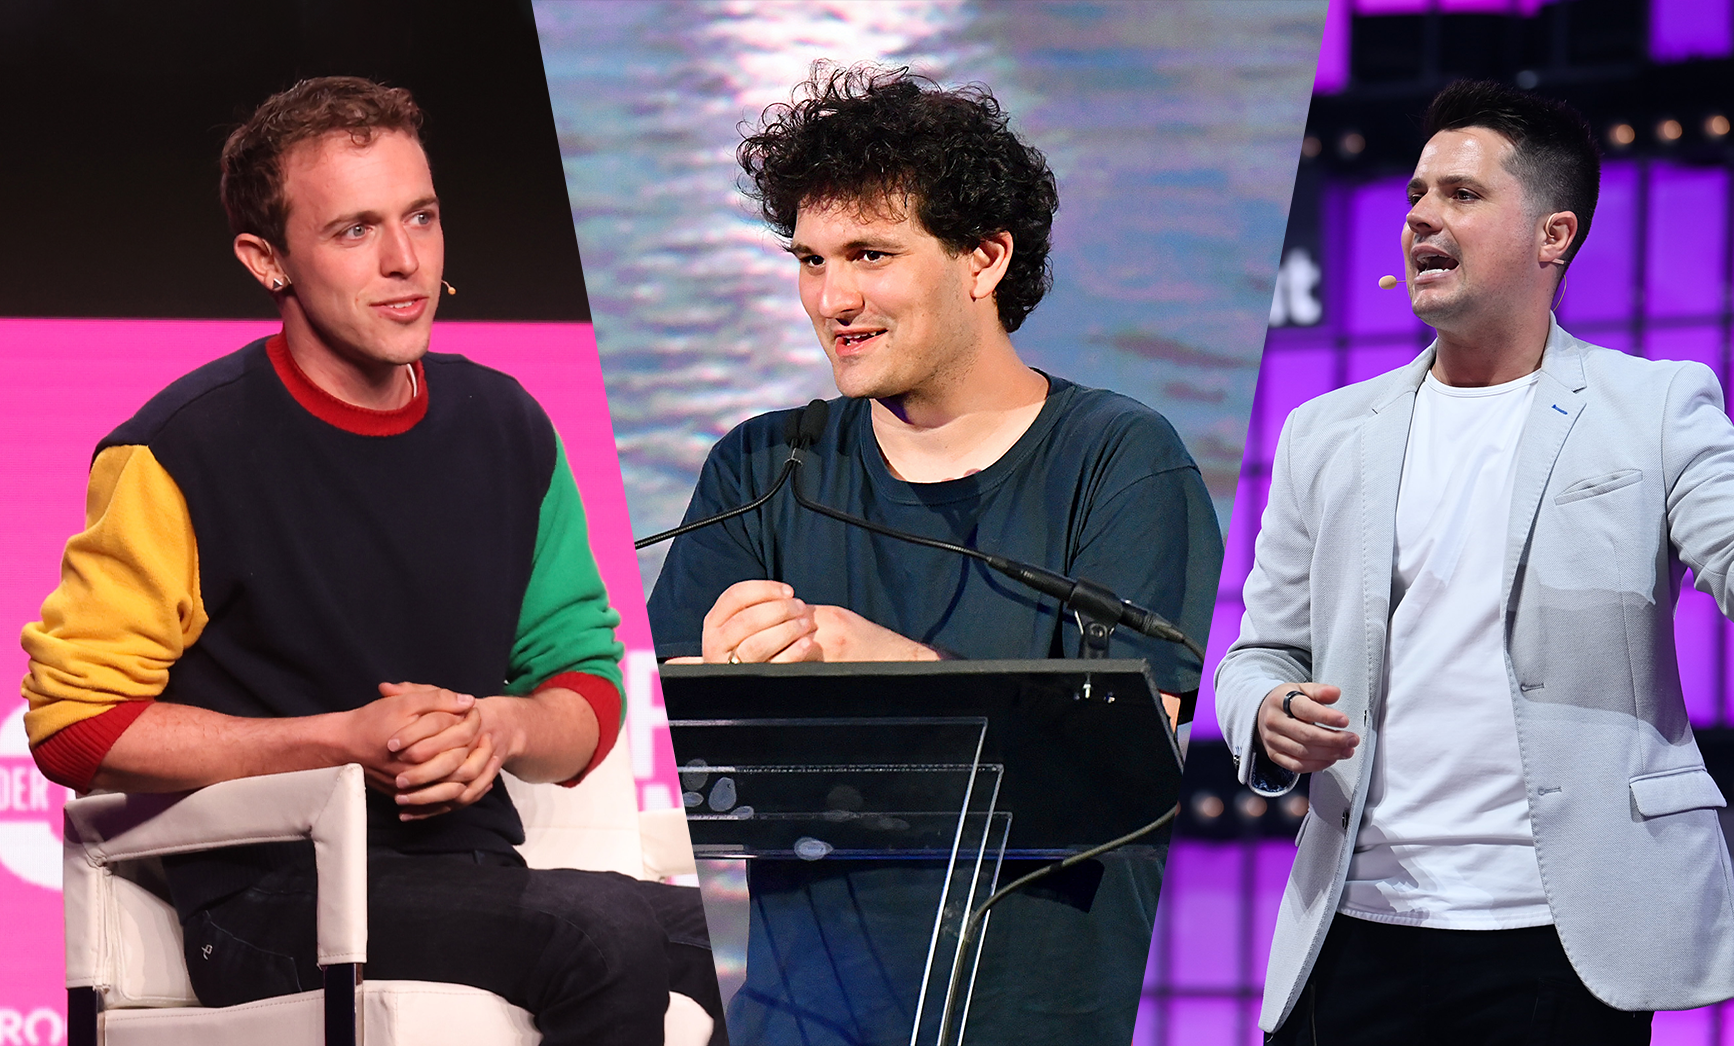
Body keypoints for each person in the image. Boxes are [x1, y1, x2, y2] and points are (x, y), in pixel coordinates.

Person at [20, 77, 723, 1046]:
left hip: (481, 882)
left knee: (745, 935)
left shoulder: (510, 426)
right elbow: (75, 726)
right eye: (354, 230)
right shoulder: (178, 451)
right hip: (274, 896)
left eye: (421, 217)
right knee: (597, 930)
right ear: (268, 260)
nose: (406, 262)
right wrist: (346, 739)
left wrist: (504, 725)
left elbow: (584, 692)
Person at [1217, 79, 1734, 1044]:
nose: (1423, 216)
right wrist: (1265, 712)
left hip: (1562, 939)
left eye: (1462, 195)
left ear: (1554, 235)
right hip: (1353, 929)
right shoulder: (1326, 432)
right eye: (1418, 195)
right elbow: (1262, 651)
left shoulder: (1656, 404)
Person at [647, 64, 1223, 1045]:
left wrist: (883, 671)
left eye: (870, 253)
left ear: (984, 257)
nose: (833, 296)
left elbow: (1126, 777)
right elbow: (671, 780)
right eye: (812, 259)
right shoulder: (759, 466)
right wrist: (707, 679)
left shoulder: (1123, 460)